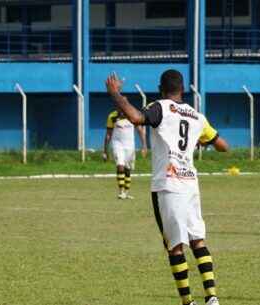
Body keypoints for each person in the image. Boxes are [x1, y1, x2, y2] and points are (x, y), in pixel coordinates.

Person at [107, 70, 229, 305]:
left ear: (161, 89)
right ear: (182, 89)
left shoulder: (160, 107)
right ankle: (212, 298)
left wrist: (115, 94)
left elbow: (135, 117)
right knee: (198, 241)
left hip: (168, 185)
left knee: (175, 247)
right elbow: (223, 146)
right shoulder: (196, 116)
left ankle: (188, 302)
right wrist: (200, 140)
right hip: (191, 184)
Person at [103, 108, 147, 199]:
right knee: (120, 165)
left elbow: (140, 130)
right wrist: (105, 150)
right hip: (117, 144)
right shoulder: (112, 117)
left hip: (130, 145)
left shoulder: (132, 115)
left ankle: (126, 192)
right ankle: (121, 191)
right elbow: (108, 134)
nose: (121, 112)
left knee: (127, 168)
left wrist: (144, 145)